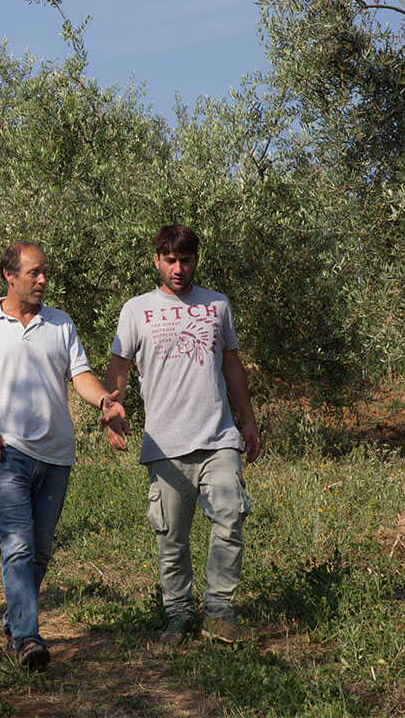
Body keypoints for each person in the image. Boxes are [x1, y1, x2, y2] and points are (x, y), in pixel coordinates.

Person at [0, 242, 126, 671]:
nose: (43, 280)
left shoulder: (59, 323)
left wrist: (104, 403)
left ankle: (13, 620)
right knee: (19, 546)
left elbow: (79, 375)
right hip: (6, 451)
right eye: (35, 273)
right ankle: (27, 638)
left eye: (45, 272)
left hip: (57, 453)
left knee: (40, 550)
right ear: (10, 276)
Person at [103, 224, 261, 645]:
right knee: (171, 537)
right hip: (163, 442)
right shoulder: (136, 309)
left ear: (196, 260)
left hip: (218, 436)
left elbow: (231, 366)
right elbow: (118, 369)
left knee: (229, 516)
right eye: (170, 260)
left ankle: (219, 611)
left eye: (185, 260)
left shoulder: (217, 305)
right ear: (156, 260)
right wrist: (111, 409)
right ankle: (178, 614)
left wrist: (248, 421)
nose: (178, 268)